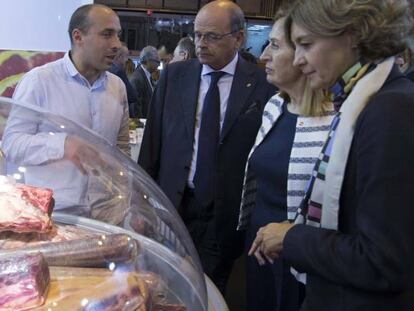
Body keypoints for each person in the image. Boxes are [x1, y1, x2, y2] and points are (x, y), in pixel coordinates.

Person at [250, 0, 414, 310]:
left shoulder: (389, 110)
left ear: (351, 35)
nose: (298, 60)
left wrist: (292, 238)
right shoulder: (361, 102)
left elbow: (383, 262)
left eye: (306, 45)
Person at [138, 0, 275, 294]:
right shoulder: (174, 77)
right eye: (198, 35)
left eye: (211, 36)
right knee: (164, 285)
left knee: (207, 289)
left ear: (238, 38)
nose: (201, 44)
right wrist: (141, 203)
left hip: (223, 214)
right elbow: (152, 144)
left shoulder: (262, 84)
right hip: (173, 207)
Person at [237, 10, 334, 311]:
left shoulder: (336, 119)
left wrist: (291, 237)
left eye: (275, 46)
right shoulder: (275, 104)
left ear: (304, 53)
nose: (264, 56)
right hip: (258, 245)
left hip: (300, 256)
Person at [2, 4, 130, 214]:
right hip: (54, 214)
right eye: (107, 35)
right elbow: (12, 145)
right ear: (78, 37)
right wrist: (63, 145)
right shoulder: (40, 81)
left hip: (105, 214)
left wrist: (125, 196)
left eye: (118, 35)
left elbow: (121, 147)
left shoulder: (117, 87)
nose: (117, 44)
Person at [129, 45, 160, 118]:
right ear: (148, 61)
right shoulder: (137, 79)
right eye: (157, 61)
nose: (158, 65)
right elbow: (135, 108)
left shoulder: (147, 76)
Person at [109, 42, 138, 118]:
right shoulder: (118, 73)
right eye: (126, 56)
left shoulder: (107, 70)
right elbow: (132, 96)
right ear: (119, 56)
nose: (127, 60)